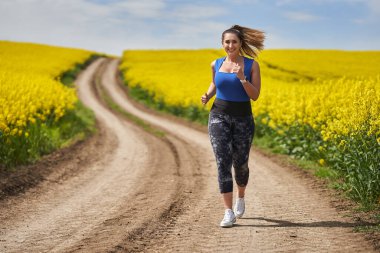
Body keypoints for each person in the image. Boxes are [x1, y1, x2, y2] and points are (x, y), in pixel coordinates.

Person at [201, 25, 265, 228]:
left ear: (240, 44)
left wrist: (242, 79)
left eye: (234, 42)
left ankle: (241, 195)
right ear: (222, 44)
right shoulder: (216, 63)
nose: (230, 45)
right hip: (218, 115)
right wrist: (207, 94)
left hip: (243, 118)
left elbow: (254, 95)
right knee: (222, 161)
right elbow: (215, 83)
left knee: (241, 163)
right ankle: (228, 212)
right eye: (227, 42)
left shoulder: (251, 65)